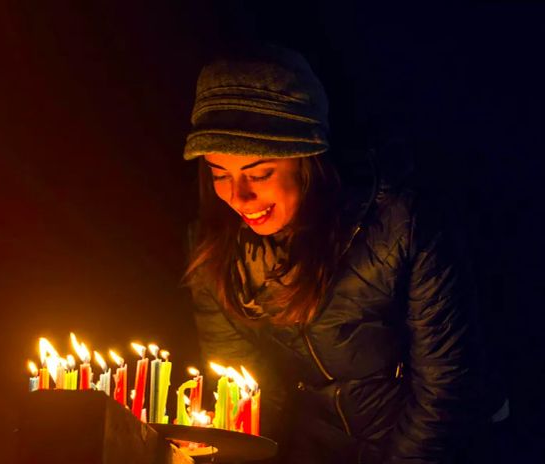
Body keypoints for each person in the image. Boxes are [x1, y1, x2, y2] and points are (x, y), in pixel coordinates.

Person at [182, 43, 484, 464]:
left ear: (307, 160)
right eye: (219, 174)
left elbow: (446, 390)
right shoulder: (215, 251)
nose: (239, 196)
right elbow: (251, 393)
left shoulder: (400, 224)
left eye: (259, 173)